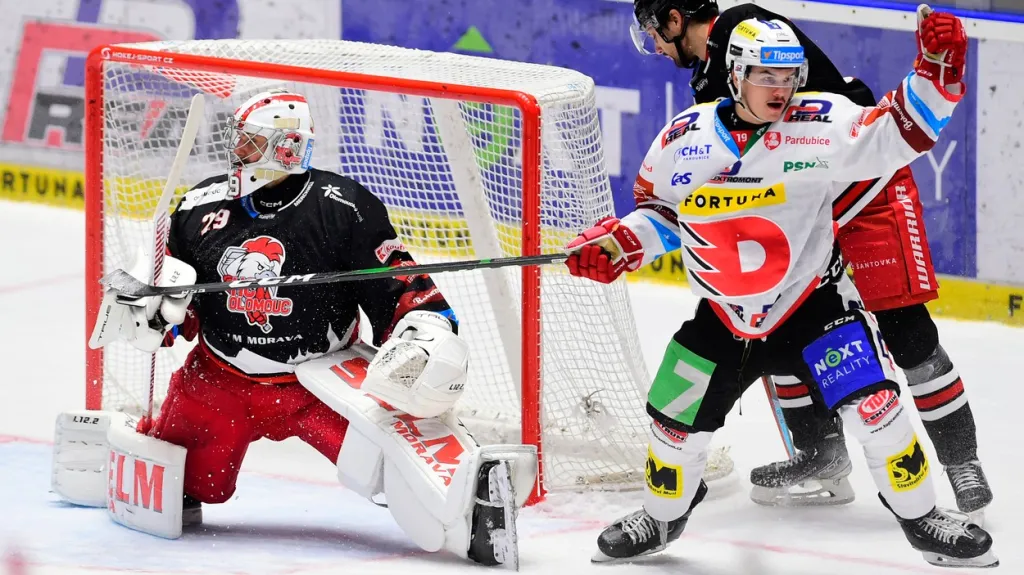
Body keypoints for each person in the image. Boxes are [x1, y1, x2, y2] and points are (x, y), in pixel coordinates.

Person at [568, 12, 997, 568]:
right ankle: (661, 517)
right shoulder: (684, 139)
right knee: (672, 421)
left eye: (790, 75)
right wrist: (622, 243)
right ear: (734, 74)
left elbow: (901, 130)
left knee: (878, 407)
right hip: (725, 317)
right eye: (766, 77)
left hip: (810, 306)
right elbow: (665, 216)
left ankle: (923, 520)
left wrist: (937, 75)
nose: (782, 88)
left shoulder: (822, 124)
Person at [51, 89, 535, 568]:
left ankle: (477, 506)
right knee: (186, 487)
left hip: (319, 382)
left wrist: (418, 335)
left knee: (390, 475)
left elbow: (407, 292)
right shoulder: (199, 206)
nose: (235, 153)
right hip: (220, 381)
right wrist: (157, 317)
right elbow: (182, 308)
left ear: (285, 147)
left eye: (249, 142)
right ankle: (138, 453)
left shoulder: (343, 207)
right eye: (237, 140)